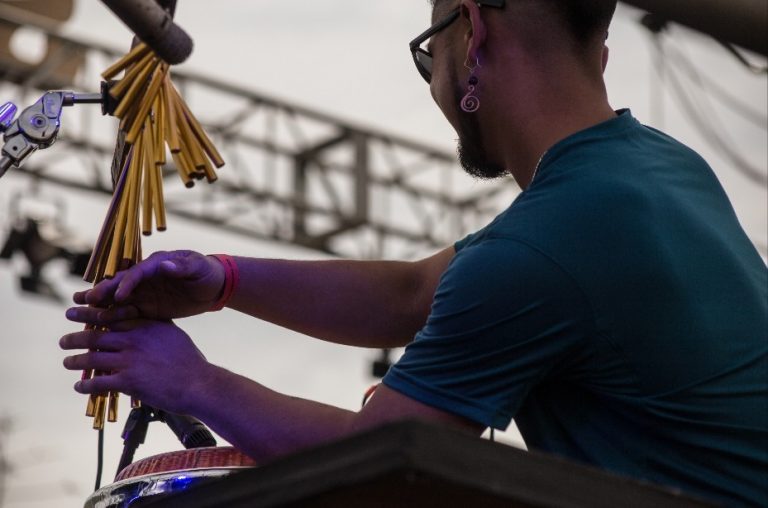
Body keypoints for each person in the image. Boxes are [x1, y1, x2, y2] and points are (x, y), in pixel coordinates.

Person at [60, 1, 767, 505]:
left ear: (474, 30)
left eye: (430, 51)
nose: (432, 79)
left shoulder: (543, 246)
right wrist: (224, 280)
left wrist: (191, 383)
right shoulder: (658, 168)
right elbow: (410, 293)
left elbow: (387, 462)